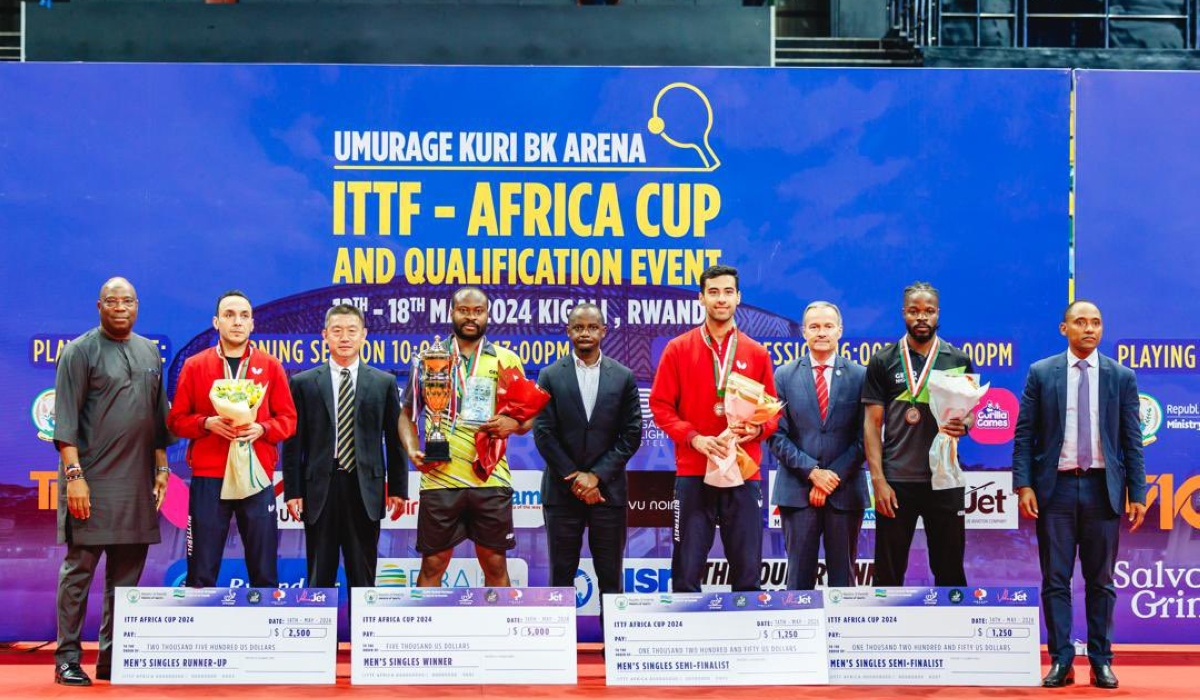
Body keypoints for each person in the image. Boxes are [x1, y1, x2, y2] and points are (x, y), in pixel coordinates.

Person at [1012, 300, 1147, 690]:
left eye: (1096, 323)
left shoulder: (1121, 376)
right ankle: (1061, 660)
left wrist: (1136, 491)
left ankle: (1101, 660)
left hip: (1102, 489)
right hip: (1054, 489)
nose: (1089, 328)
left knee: (1101, 581)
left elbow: (1131, 441)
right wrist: (1024, 485)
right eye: (1080, 322)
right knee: (1055, 579)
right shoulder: (1042, 373)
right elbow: (1024, 434)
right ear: (1064, 328)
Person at [52, 278, 172, 686]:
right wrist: (74, 478)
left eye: (128, 301)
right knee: (78, 574)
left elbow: (158, 419)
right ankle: (67, 657)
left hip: (138, 483)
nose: (120, 307)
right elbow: (65, 423)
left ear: (137, 306)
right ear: (99, 305)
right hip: (91, 480)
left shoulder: (149, 351)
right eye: (112, 301)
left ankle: (112, 657)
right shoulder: (79, 351)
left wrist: (161, 467)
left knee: (125, 582)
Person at [650, 264, 779, 592]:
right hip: (694, 471)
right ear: (701, 298)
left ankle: (747, 640)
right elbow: (660, 406)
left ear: (739, 298)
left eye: (727, 292)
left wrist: (756, 432)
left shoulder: (757, 352)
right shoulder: (678, 348)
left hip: (743, 471)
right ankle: (685, 639)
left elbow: (772, 413)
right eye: (713, 292)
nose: (721, 299)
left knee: (748, 571)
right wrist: (694, 439)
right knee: (686, 570)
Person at [398, 286, 532, 587]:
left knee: (495, 563)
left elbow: (528, 418)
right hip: (439, 477)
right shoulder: (428, 358)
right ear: (451, 313)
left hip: (490, 477)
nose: (470, 317)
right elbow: (406, 414)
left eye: (477, 311)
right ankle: (422, 633)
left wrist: (513, 424)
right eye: (463, 310)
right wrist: (412, 448)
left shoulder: (506, 359)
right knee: (433, 563)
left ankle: (500, 633)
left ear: (487, 315)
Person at [167, 290, 296, 588]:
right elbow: (176, 420)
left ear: (252, 324)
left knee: (264, 569)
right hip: (210, 475)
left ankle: (266, 630)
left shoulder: (271, 366)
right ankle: (200, 631)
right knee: (200, 567)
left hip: (256, 474)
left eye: (243, 316)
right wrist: (206, 423)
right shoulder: (195, 365)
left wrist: (263, 429)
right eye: (229, 315)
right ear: (216, 322)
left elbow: (288, 420)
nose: (237, 322)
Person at [282, 304, 408, 589]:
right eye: (337, 331)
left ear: (364, 335)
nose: (344, 338)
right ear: (325, 335)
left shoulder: (383, 382)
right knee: (319, 574)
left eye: (352, 331)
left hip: (365, 488)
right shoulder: (303, 383)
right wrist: (293, 491)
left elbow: (397, 438)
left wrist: (399, 489)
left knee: (362, 575)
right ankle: (320, 633)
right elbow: (293, 442)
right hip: (319, 489)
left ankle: (363, 635)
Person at [534, 302, 642, 620]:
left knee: (610, 576)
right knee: (561, 575)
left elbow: (631, 434)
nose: (585, 333)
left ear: (603, 331)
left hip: (608, 495)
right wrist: (575, 477)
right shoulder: (550, 375)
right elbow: (544, 433)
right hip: (561, 493)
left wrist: (596, 476)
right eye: (578, 327)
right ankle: (558, 652)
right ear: (568, 332)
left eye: (592, 327)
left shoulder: (623, 377)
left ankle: (614, 648)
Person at [862, 281, 972, 587]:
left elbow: (970, 411)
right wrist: (879, 481)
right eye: (914, 311)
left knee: (950, 572)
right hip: (897, 481)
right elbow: (871, 425)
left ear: (938, 314)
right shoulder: (883, 360)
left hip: (944, 479)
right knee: (888, 574)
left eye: (929, 311)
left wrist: (967, 424)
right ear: (903, 314)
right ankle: (886, 634)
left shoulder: (957, 358)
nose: (921, 317)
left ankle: (952, 634)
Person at [768, 301, 867, 590]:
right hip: (797, 493)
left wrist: (831, 477)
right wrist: (813, 474)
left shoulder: (861, 376)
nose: (821, 332)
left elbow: (866, 437)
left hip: (845, 492)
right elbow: (775, 435)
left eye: (827, 326)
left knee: (843, 582)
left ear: (840, 331)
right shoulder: (783, 375)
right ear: (803, 332)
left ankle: (843, 635)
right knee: (798, 581)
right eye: (814, 326)